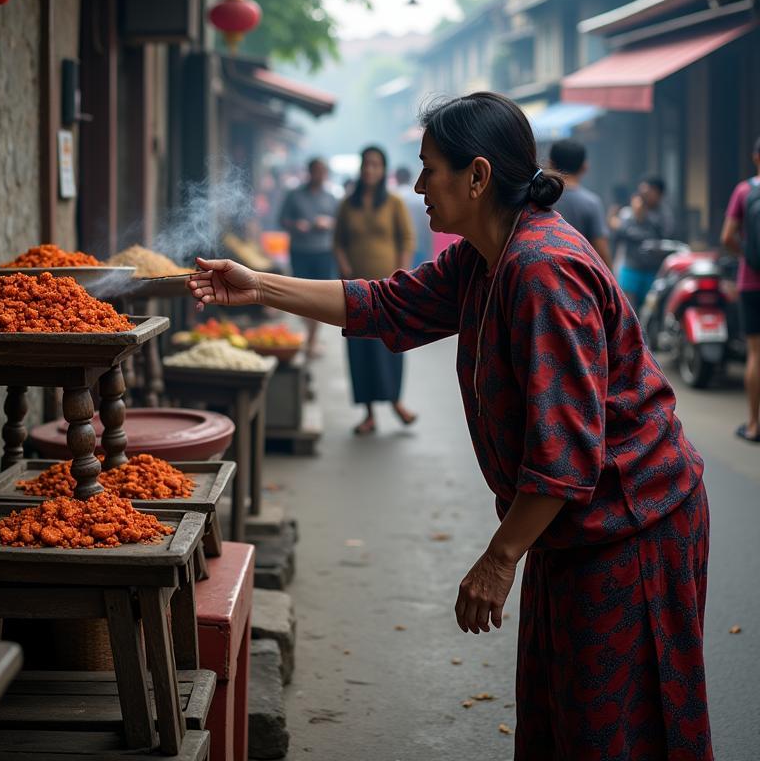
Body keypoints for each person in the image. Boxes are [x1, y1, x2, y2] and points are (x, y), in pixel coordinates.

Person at [188, 91, 710, 760]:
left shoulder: (543, 271)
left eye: (428, 168)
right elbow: (384, 303)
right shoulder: (486, 257)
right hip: (572, 528)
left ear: (477, 176)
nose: (416, 185)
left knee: (622, 727)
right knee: (565, 710)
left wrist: (499, 558)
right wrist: (257, 286)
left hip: (635, 523)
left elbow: (566, 457)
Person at [333, 146, 416, 435]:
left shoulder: (394, 203)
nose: (370, 169)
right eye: (366, 164)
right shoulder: (347, 204)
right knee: (360, 349)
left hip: (389, 288)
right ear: (360, 167)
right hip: (356, 290)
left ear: (383, 170)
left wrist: (401, 275)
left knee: (392, 344)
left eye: (376, 165)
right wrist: (344, 266)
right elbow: (338, 241)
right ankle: (368, 414)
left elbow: (406, 240)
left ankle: (396, 402)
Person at [278, 158, 339, 358]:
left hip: (323, 252)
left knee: (320, 297)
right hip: (300, 251)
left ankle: (312, 338)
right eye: (316, 171)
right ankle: (307, 333)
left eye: (323, 171)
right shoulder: (294, 195)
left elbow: (340, 223)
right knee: (301, 295)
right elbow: (281, 220)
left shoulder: (331, 198)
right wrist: (296, 225)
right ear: (309, 172)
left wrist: (329, 223)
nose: (319, 175)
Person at [720, 135, 760, 444]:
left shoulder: (745, 191)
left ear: (755, 157)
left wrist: (746, 254)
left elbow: (727, 237)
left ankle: (754, 425)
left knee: (755, 354)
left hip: (752, 282)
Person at [610, 175, 674, 310]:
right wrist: (637, 218)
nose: (644, 197)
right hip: (631, 268)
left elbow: (664, 236)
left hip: (654, 271)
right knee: (627, 310)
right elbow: (621, 233)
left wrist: (643, 218)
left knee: (650, 311)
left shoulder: (665, 214)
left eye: (648, 192)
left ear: (659, 193)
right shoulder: (628, 213)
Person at [547, 138, 612, 269]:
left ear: (550, 164)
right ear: (585, 167)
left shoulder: (540, 198)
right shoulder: (591, 203)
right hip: (578, 277)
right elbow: (601, 251)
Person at [394, 165, 433, 265]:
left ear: (396, 178)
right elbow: (428, 227)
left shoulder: (392, 199)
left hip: (398, 249)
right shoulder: (420, 199)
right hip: (419, 247)